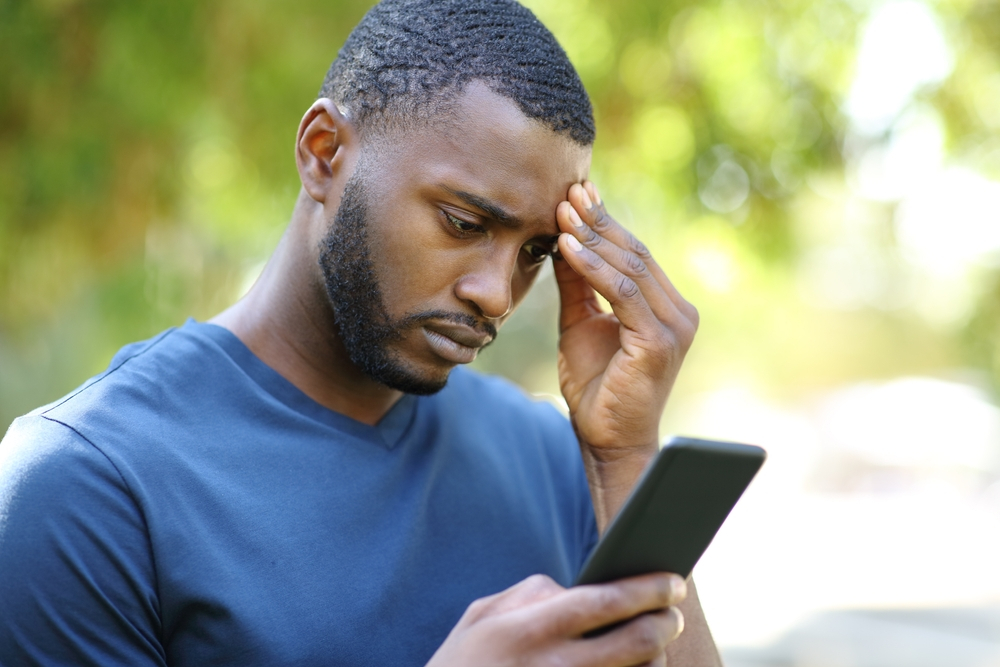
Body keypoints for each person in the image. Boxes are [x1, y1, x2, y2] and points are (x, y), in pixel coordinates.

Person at [0, 0, 716, 665]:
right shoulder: (87, 484)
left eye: (535, 252)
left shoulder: (554, 460)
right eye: (465, 224)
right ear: (323, 151)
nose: (497, 294)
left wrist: (626, 458)